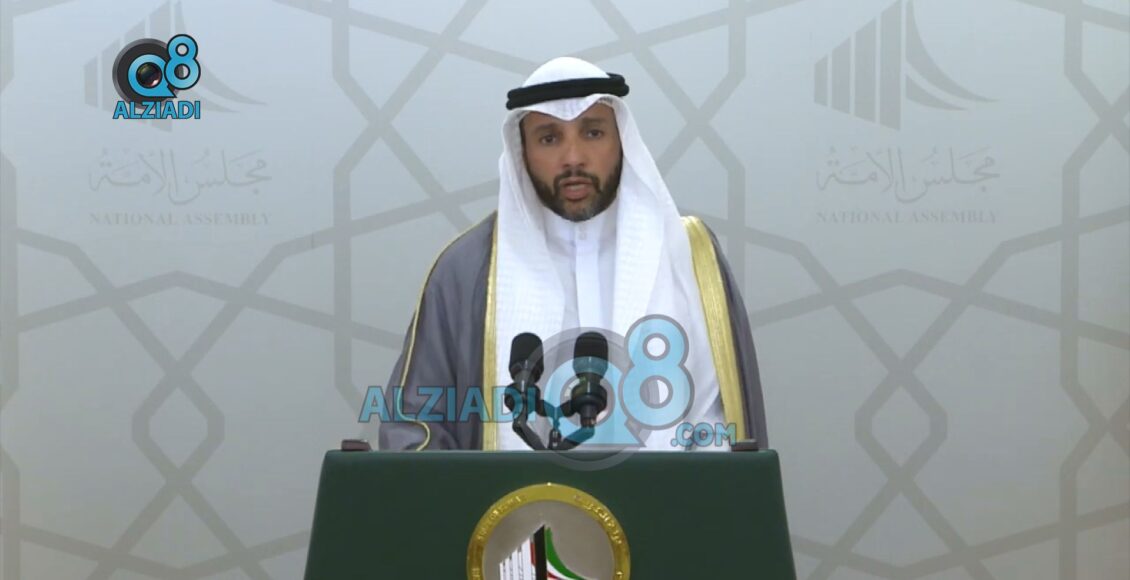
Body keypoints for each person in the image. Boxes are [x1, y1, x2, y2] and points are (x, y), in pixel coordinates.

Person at [375, 56, 767, 451]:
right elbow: (417, 426)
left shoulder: (688, 255)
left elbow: (718, 422)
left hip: (668, 493)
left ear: (621, 140)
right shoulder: (467, 269)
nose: (573, 157)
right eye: (549, 139)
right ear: (522, 152)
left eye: (593, 133)